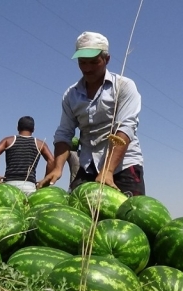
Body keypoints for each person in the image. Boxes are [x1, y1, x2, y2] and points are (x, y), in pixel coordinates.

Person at [39, 31, 145, 196]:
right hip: (88, 166)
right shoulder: (71, 94)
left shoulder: (124, 86)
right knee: (78, 215)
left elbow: (126, 128)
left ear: (107, 59)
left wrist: (108, 170)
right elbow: (64, 133)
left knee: (129, 217)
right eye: (82, 62)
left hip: (122, 166)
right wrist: (57, 168)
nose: (87, 69)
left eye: (94, 62)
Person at [0, 116, 54, 195]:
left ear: (17, 128)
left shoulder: (8, 140)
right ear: (33, 129)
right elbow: (51, 160)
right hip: (29, 186)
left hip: (9, 186)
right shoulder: (40, 144)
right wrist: (45, 180)